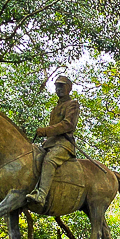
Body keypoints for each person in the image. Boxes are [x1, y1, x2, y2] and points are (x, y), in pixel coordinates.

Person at [25, 76, 80, 208]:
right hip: (49, 143)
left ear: (69, 88)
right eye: (57, 86)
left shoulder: (72, 104)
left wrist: (45, 131)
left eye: (62, 86)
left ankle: (41, 195)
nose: (59, 89)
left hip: (64, 144)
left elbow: (68, 125)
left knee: (49, 160)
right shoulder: (56, 108)